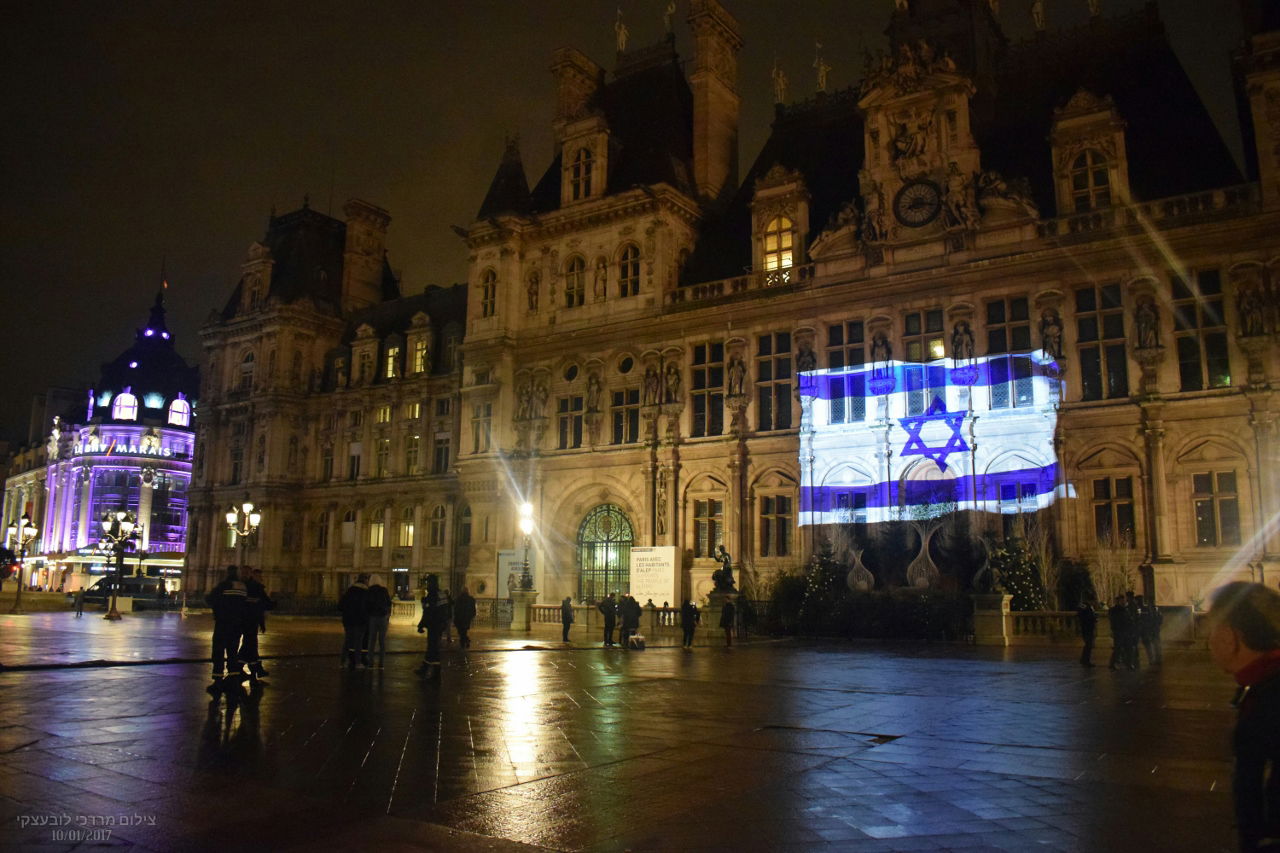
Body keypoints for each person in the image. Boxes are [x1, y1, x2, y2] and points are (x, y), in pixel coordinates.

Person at [1207, 581, 1280, 853]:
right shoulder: (1264, 684)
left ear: (1229, 637)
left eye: (1211, 629)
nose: (1209, 641)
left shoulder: (1269, 699)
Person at [206, 565, 248, 679]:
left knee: (219, 648)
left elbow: (210, 599)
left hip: (223, 622)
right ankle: (233, 673)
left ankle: (218, 674)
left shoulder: (224, 585)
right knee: (233, 649)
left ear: (228, 573)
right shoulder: (243, 587)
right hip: (238, 623)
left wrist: (217, 610)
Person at [239, 567, 274, 679]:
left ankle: (255, 669)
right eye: (259, 576)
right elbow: (264, 604)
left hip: (247, 620)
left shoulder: (246, 587)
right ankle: (242, 668)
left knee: (250, 645)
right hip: (250, 621)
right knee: (250, 645)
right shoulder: (255, 588)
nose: (261, 578)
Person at [415, 574, 449, 680]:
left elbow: (428, 611)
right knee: (433, 648)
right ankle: (426, 669)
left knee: (433, 648)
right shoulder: (442, 593)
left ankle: (434, 673)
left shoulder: (432, 594)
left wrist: (421, 625)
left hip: (434, 624)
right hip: (440, 624)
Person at [339, 573, 371, 670]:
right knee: (358, 642)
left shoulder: (349, 591)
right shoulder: (365, 592)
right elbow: (367, 607)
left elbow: (340, 606)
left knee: (347, 641)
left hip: (348, 620)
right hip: (360, 620)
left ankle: (342, 662)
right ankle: (358, 662)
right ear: (365, 580)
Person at [365, 574, 392, 669]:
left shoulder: (369, 591)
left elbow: (366, 605)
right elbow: (389, 603)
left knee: (371, 641)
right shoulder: (384, 590)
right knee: (382, 641)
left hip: (372, 617)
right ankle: (381, 663)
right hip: (383, 617)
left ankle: (370, 662)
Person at [1137, 594, 1163, 665]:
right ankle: (1153, 659)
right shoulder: (1146, 609)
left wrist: (1156, 625)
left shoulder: (1154, 609)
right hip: (1149, 630)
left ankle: (1156, 659)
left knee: (1155, 645)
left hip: (1152, 630)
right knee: (1152, 645)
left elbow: (1160, 619)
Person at [1108, 594, 1132, 671]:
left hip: (1125, 631)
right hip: (1119, 632)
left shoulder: (1125, 609)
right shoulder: (1114, 610)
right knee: (1118, 649)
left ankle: (1127, 663)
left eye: (1123, 600)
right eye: (1121, 600)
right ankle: (1112, 664)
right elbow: (1114, 621)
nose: (1123, 602)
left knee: (1127, 648)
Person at [1076, 598, 1097, 667]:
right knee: (1088, 645)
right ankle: (1085, 660)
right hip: (1086, 628)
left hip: (1089, 628)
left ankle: (1084, 659)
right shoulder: (1085, 606)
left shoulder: (1088, 607)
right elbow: (1082, 615)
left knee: (1088, 645)